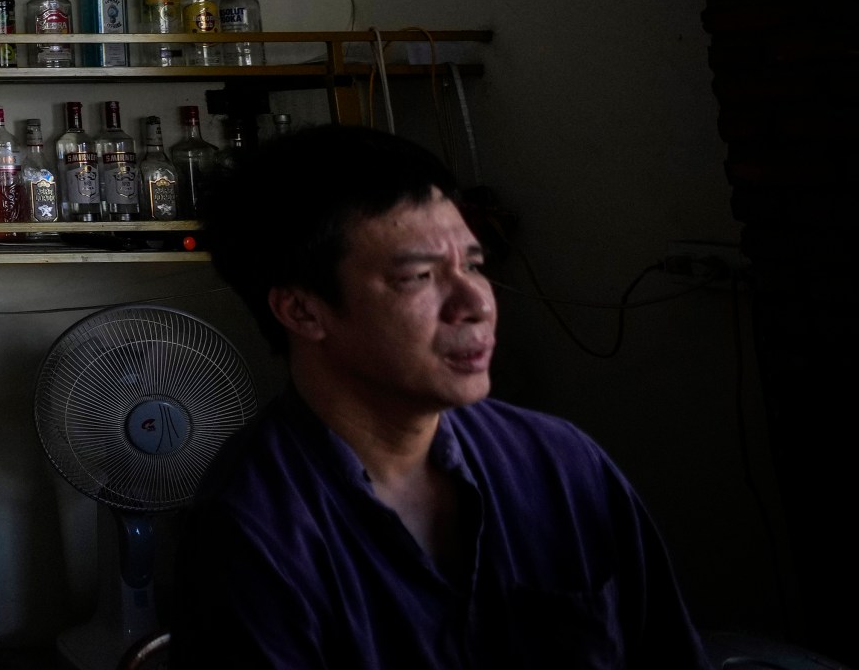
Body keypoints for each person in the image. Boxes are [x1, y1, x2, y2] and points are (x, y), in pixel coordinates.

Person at [175, 124, 706, 669]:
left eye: (473, 265)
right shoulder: (252, 531)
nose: (477, 301)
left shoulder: (559, 464)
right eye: (420, 277)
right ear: (302, 311)